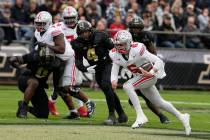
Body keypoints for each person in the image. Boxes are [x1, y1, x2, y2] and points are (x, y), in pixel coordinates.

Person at [109, 30, 191, 136]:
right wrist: (113, 80)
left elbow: (159, 61)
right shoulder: (114, 53)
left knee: (127, 86)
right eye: (117, 44)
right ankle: (182, 117)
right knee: (159, 103)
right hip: (140, 77)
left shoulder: (138, 48)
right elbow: (114, 69)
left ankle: (141, 116)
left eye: (121, 44)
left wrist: (151, 72)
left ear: (129, 42)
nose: (119, 47)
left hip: (149, 75)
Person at [33, 11, 95, 119]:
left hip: (69, 58)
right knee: (59, 89)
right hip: (58, 61)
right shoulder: (37, 33)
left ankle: (89, 102)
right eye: (37, 23)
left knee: (67, 87)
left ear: (48, 23)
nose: (39, 26)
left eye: (42, 23)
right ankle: (73, 112)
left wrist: (46, 45)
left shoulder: (55, 31)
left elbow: (61, 49)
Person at [71, 20, 128, 125]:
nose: (85, 34)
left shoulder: (100, 36)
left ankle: (112, 115)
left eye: (86, 31)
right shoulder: (77, 43)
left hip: (108, 63)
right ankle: (122, 114)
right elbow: (78, 60)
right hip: (97, 68)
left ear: (90, 30)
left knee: (107, 86)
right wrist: (85, 69)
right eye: (82, 32)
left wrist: (118, 62)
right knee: (108, 90)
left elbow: (114, 48)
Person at [48, 6, 89, 117]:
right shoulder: (57, 27)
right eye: (67, 18)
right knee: (67, 85)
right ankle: (80, 109)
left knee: (71, 84)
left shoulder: (82, 26)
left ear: (76, 17)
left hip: (76, 58)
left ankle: (53, 101)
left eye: (72, 18)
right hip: (62, 58)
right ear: (63, 18)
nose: (70, 20)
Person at [128, 16, 170, 124]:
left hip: (145, 65)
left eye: (138, 28)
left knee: (147, 97)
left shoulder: (146, 36)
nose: (136, 30)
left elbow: (153, 51)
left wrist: (150, 63)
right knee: (144, 95)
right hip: (133, 66)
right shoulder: (128, 36)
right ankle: (161, 116)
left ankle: (161, 116)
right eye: (134, 27)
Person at [9, 45, 63, 119]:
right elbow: (12, 59)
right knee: (34, 82)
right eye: (44, 60)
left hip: (39, 86)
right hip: (25, 80)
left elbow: (56, 79)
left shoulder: (56, 62)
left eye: (49, 60)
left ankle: (24, 106)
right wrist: (21, 69)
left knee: (43, 114)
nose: (47, 63)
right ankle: (24, 107)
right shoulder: (33, 56)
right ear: (40, 56)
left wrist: (56, 91)